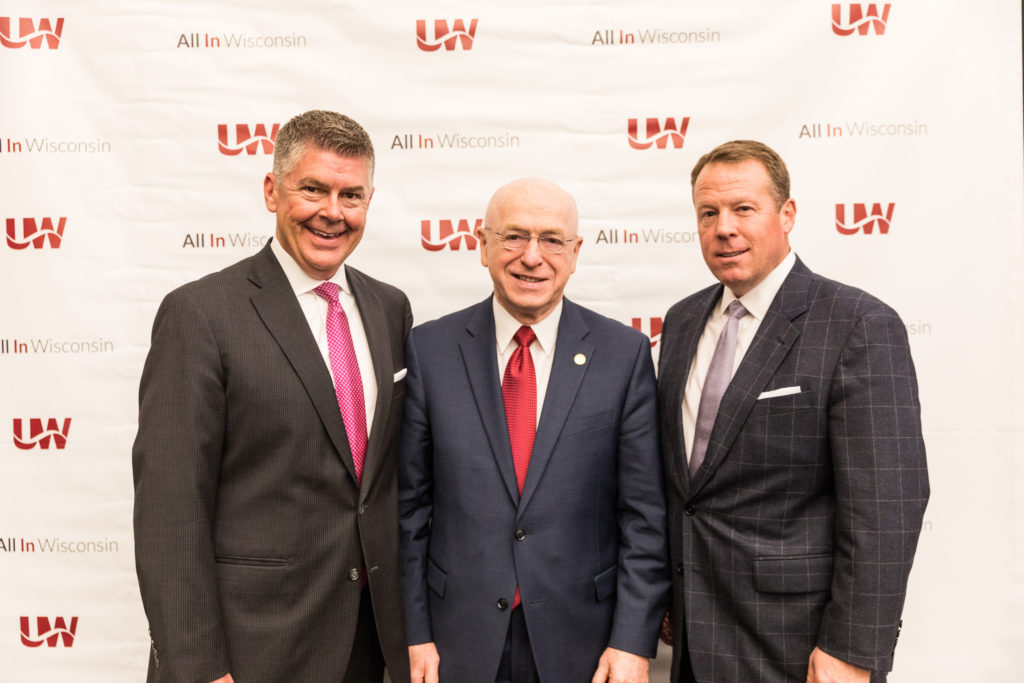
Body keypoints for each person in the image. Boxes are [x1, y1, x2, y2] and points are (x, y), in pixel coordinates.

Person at [133, 110, 412, 683]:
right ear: (271, 190)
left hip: (369, 645)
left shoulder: (391, 309)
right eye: (313, 189)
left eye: (351, 195)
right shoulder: (201, 314)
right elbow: (170, 508)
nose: (332, 212)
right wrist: (198, 668)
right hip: (248, 652)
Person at [658, 140, 929, 683]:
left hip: (798, 646)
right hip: (691, 635)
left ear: (787, 214)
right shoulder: (682, 321)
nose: (724, 228)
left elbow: (887, 503)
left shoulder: (857, 323)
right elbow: (685, 491)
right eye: (708, 213)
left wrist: (852, 649)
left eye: (743, 209)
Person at [398, 178, 670, 682]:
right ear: (482, 246)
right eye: (513, 237)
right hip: (456, 641)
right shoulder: (429, 350)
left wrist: (632, 641)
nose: (532, 256)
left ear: (575, 252)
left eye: (551, 239)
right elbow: (410, 510)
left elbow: (644, 517)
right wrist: (414, 633)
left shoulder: (623, 353)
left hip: (584, 643)